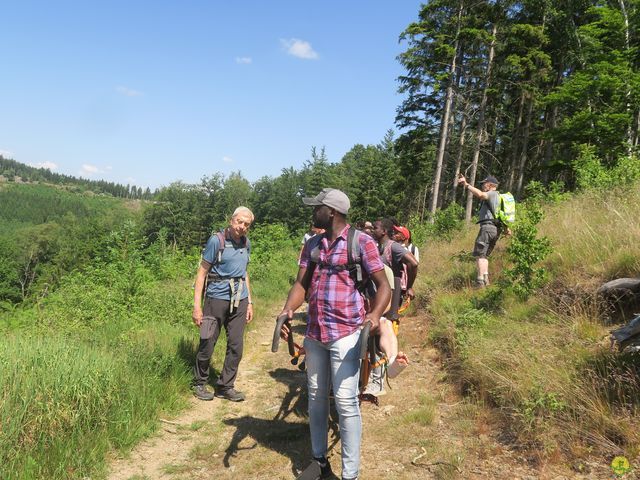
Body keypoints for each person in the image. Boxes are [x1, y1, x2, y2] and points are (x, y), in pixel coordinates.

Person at [279, 188, 390, 480]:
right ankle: (319, 462)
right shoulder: (313, 245)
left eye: (317, 207)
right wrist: (287, 310)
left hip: (347, 333)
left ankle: (350, 474)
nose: (312, 212)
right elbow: (301, 285)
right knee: (316, 397)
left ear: (331, 212)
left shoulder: (361, 242)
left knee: (345, 401)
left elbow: (384, 286)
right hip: (315, 333)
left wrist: (374, 316)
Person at [192, 206, 254, 402]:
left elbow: (244, 273)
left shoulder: (246, 243)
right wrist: (197, 306)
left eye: (247, 224)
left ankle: (225, 386)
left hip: (240, 300)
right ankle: (199, 383)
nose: (242, 226)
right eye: (240, 222)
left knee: (236, 345)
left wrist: (250, 302)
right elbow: (201, 273)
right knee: (207, 341)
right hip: (216, 298)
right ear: (231, 220)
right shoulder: (216, 241)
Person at [457, 174, 501, 287]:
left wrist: (467, 185)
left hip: (487, 227)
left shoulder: (491, 194)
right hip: (495, 229)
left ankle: (480, 280)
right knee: (485, 255)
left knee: (480, 255)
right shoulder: (500, 197)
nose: (482, 186)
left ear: (490, 185)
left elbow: (481, 195)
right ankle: (486, 279)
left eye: (484, 184)